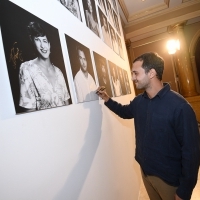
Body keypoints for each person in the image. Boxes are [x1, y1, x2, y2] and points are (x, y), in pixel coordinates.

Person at [96, 52, 200, 200]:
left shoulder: (180, 107)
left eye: (135, 73)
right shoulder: (139, 101)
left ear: (151, 73)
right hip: (146, 174)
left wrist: (184, 191)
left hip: (170, 181)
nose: (132, 78)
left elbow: (192, 154)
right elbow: (125, 112)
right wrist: (107, 99)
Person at [19, 22, 70, 111]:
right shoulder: (27, 68)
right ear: (33, 42)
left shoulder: (59, 72)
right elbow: (29, 112)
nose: (42, 46)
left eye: (45, 41)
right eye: (38, 40)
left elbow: (67, 105)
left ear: (49, 44)